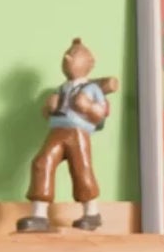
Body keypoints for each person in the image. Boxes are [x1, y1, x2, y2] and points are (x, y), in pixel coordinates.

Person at [17, 37, 114, 233]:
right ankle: (39, 214)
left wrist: (88, 107)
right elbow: (47, 114)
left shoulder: (92, 89)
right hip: (57, 132)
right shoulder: (62, 89)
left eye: (73, 55)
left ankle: (92, 213)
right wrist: (48, 108)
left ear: (88, 62)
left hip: (78, 133)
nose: (68, 59)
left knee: (81, 169)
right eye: (67, 55)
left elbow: (101, 114)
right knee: (41, 162)